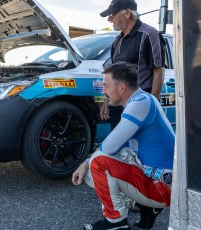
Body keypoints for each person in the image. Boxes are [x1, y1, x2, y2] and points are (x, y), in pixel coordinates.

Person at [72, 62, 174, 230]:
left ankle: (116, 222)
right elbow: (120, 146)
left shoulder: (139, 104)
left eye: (106, 85)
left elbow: (109, 147)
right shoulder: (144, 99)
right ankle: (144, 206)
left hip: (162, 188)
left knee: (97, 164)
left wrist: (86, 162)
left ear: (121, 88)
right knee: (103, 162)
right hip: (163, 180)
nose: (103, 91)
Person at [99, 0, 165, 130]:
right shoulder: (117, 41)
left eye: (112, 14)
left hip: (139, 103)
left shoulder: (149, 34)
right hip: (118, 103)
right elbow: (114, 75)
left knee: (138, 147)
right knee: (119, 147)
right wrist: (107, 99)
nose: (109, 19)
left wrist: (151, 105)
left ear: (127, 13)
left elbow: (158, 71)